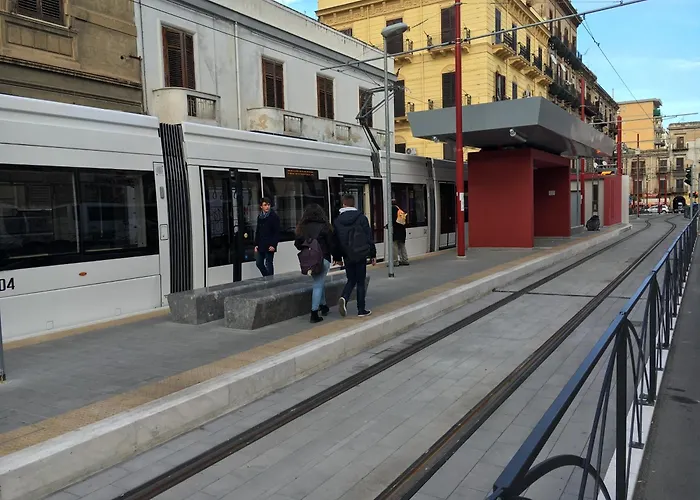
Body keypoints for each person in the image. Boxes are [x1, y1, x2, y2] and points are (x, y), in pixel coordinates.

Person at [332, 193, 376, 318]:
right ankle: (361, 310)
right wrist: (373, 254)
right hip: (361, 254)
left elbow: (335, 241)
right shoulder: (362, 218)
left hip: (347, 255)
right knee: (360, 281)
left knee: (351, 279)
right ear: (353, 204)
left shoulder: (337, 221)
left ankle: (344, 297)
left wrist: (337, 258)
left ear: (343, 204)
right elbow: (368, 237)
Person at [294, 204, 335, 323]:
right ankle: (314, 313)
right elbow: (331, 244)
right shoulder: (325, 226)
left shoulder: (302, 227)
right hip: (323, 258)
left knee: (319, 281)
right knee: (318, 283)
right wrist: (336, 256)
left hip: (309, 261)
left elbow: (297, 244)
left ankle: (324, 306)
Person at [254, 197, 280, 277]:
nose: (267, 207)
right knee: (259, 263)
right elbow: (258, 231)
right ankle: (267, 277)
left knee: (269, 263)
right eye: (265, 205)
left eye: (268, 205)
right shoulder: (260, 217)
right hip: (261, 244)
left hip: (270, 244)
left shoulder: (274, 217)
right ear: (261, 206)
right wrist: (256, 244)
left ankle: (270, 279)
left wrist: (274, 245)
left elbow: (277, 232)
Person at [391, 197, 409, 266]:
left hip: (396, 231)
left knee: (394, 246)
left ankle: (395, 262)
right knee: (402, 246)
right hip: (402, 231)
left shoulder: (392, 209)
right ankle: (405, 260)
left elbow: (392, 221)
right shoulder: (400, 210)